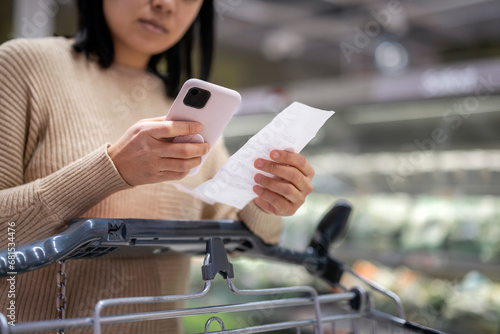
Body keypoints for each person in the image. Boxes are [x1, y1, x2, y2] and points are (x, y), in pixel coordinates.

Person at [0, 0, 315, 332]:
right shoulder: (24, 66)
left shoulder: (188, 112)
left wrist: (270, 197)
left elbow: (247, 236)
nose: (166, 4)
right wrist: (111, 170)